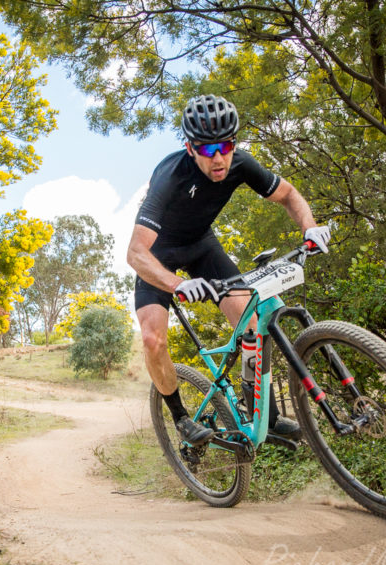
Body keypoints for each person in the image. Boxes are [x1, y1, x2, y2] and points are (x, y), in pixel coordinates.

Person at [126, 94, 330, 446]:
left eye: (226, 146)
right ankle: (180, 418)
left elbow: (289, 195)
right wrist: (177, 284)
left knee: (251, 324)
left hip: (202, 245)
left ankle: (264, 413)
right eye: (207, 150)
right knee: (152, 339)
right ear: (191, 149)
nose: (218, 157)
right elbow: (135, 253)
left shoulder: (241, 164)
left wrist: (309, 227)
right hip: (159, 257)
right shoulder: (171, 176)